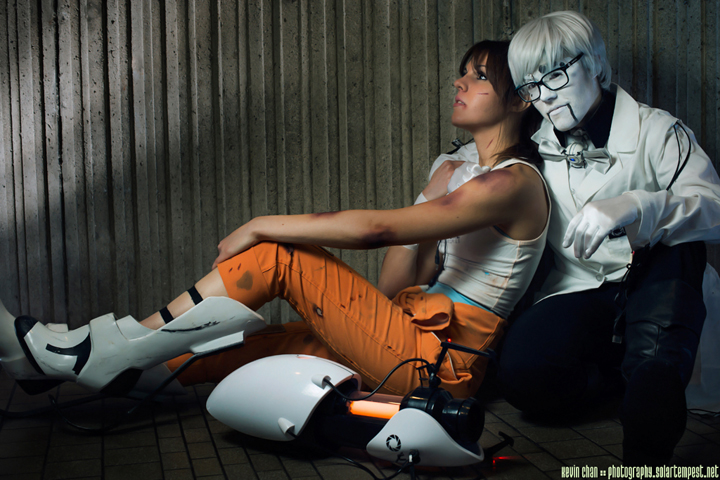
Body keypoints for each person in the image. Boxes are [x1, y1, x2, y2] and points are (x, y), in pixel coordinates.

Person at [0, 41, 548, 403]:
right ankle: (68, 366)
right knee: (254, 345)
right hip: (408, 339)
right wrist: (429, 197)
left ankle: (97, 350)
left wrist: (261, 223)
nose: (459, 82)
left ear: (521, 99)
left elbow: (376, 231)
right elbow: (391, 290)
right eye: (462, 72)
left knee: (279, 256)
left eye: (479, 76)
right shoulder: (460, 175)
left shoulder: (514, 183)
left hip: (440, 371)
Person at [497, 11, 720, 466]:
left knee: (677, 246)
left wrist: (637, 205)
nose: (545, 96)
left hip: (660, 286)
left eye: (556, 74)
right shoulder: (535, 145)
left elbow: (714, 209)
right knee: (522, 376)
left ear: (595, 63)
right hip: (584, 287)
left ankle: (648, 425)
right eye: (531, 86)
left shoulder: (659, 130)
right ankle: (621, 383)